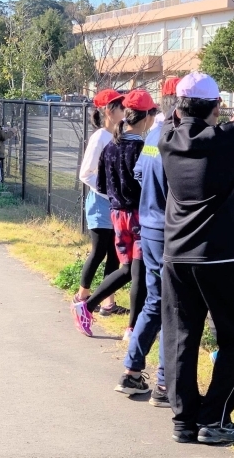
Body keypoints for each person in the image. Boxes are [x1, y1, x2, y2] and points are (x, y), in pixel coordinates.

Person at [158, 72, 234, 445]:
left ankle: (184, 422)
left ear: (179, 109)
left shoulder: (166, 139)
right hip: (220, 257)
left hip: (176, 255)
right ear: (215, 107)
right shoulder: (224, 139)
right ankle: (214, 418)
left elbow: (173, 117)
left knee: (181, 339)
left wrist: (197, 111)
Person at [114, 77, 180, 405]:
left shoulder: (154, 134)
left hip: (150, 228)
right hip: (173, 233)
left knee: (155, 301)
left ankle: (131, 372)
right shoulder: (177, 136)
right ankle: (166, 385)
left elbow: (140, 174)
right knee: (173, 306)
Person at [71, 89, 156, 340]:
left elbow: (103, 185)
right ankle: (131, 328)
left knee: (130, 268)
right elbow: (152, 179)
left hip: (117, 215)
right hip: (139, 216)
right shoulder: (145, 147)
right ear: (147, 117)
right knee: (137, 271)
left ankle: (86, 306)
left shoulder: (111, 145)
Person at [74, 89, 127, 317]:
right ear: (109, 110)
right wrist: (110, 191)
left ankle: (108, 302)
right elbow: (85, 174)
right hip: (100, 203)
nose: (125, 111)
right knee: (99, 252)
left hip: (115, 204)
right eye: (121, 107)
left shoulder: (118, 135)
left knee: (114, 254)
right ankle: (82, 297)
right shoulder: (100, 138)